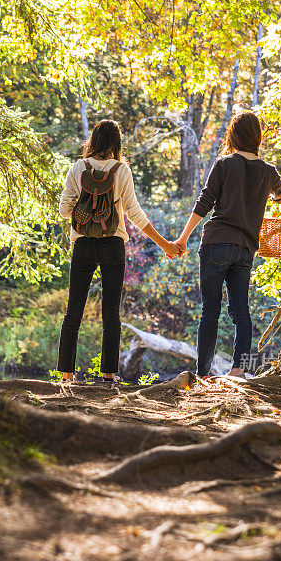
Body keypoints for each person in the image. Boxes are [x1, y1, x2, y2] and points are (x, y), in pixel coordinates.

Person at [173, 111, 281, 379]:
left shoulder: (224, 164)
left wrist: (182, 239)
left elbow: (205, 202)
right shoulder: (267, 171)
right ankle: (238, 370)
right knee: (241, 312)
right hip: (245, 249)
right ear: (257, 138)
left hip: (216, 243)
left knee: (210, 311)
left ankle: (202, 374)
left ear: (234, 135)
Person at [57, 119, 179, 384]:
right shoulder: (121, 170)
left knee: (74, 310)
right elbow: (134, 213)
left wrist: (83, 204)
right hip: (113, 244)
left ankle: (67, 374)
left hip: (83, 243)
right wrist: (165, 244)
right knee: (111, 312)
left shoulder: (78, 167)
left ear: (93, 140)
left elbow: (65, 210)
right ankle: (109, 374)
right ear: (116, 143)